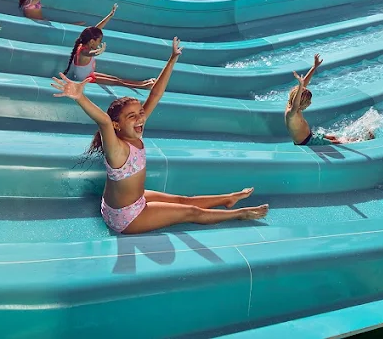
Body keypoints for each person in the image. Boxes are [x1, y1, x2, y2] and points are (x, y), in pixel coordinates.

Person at [52, 39, 268, 234]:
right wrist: (80, 97)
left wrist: (173, 59)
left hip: (128, 203)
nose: (139, 119)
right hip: (125, 217)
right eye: (131, 117)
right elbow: (104, 121)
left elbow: (155, 93)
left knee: (182, 200)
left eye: (140, 114)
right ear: (117, 124)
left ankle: (228, 199)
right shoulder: (117, 148)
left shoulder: (136, 130)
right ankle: (241, 213)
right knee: (190, 211)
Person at [284, 54, 376, 145]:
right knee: (338, 142)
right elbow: (296, 105)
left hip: (310, 136)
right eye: (307, 102)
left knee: (333, 137)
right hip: (307, 142)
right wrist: (300, 85)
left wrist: (314, 67)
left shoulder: (291, 101)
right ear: (300, 103)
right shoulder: (291, 113)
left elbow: (303, 85)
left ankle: (359, 138)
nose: (310, 103)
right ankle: (364, 141)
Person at [62, 6, 155, 88]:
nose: (99, 43)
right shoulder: (83, 52)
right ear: (92, 41)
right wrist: (99, 51)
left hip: (89, 75)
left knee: (116, 79)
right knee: (116, 82)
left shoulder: (84, 43)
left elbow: (97, 29)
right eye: (99, 41)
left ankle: (142, 82)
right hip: (85, 79)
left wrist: (110, 16)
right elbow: (89, 53)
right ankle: (144, 86)